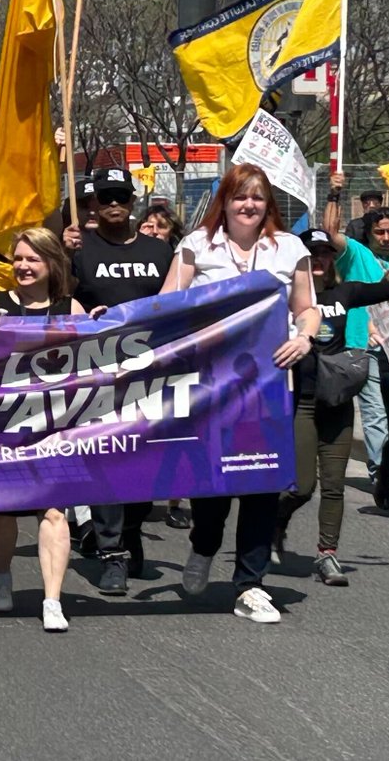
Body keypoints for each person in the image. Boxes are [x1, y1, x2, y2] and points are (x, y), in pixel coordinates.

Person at [160, 163, 320, 624]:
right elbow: (167, 304)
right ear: (224, 203)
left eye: (257, 197)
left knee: (262, 481)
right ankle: (203, 545)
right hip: (213, 383)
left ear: (268, 203)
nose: (249, 205)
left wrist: (304, 336)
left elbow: (306, 308)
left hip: (271, 381)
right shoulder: (196, 246)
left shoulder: (289, 248)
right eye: (239, 197)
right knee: (214, 480)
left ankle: (249, 584)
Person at [274, 228, 389, 586]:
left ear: (333, 258)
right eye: (311, 253)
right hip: (300, 402)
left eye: (325, 253)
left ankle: (327, 555)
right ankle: (276, 522)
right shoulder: (283, 296)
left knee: (333, 485)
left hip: (338, 401)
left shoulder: (345, 292)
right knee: (302, 486)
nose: (318, 259)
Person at [69, 167, 172, 595]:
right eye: (106, 197)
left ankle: (131, 533)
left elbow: (178, 302)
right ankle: (112, 554)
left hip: (151, 373)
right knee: (107, 463)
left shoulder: (160, 250)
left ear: (133, 202)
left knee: (146, 467)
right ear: (93, 202)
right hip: (97, 375)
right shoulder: (78, 248)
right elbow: (55, 293)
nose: (114, 205)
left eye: (122, 197)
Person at [0, 227, 82, 632]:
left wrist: (102, 324)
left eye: (31, 259)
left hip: (55, 424)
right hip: (5, 422)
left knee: (54, 510)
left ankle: (52, 599)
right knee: (3, 509)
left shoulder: (70, 307)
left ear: (51, 263)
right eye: (17, 258)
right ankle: (2, 578)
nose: (22, 266)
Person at [324, 172, 389, 501]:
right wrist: (334, 195)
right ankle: (380, 470)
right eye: (379, 232)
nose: (385, 237)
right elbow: (330, 233)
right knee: (375, 410)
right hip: (362, 346)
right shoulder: (357, 255)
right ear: (369, 235)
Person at [136, 204, 189, 529]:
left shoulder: (181, 263)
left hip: (174, 353)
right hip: (139, 353)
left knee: (176, 427)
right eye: (147, 225)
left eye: (161, 226)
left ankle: (174, 500)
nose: (153, 231)